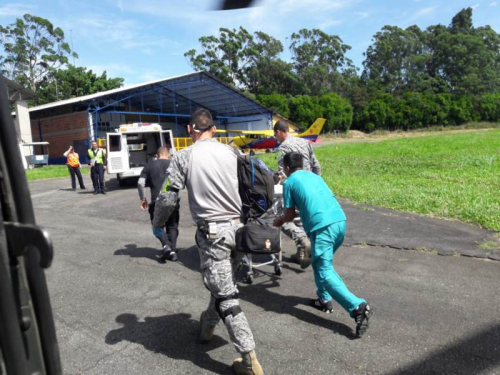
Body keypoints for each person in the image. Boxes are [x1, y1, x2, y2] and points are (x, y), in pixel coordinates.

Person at [153, 109, 263, 374]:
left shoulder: (183, 156)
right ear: (213, 129)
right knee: (223, 284)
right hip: (239, 230)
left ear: (190, 130)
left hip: (213, 235)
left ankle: (250, 360)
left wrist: (157, 224)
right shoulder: (232, 151)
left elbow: (168, 197)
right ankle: (207, 328)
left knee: (226, 295)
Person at [273, 152, 372, 338]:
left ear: (286, 168)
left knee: (325, 271)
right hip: (339, 221)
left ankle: (358, 307)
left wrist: (278, 222)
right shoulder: (314, 176)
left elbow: (288, 215)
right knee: (321, 265)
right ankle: (323, 299)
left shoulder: (289, 182)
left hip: (323, 227)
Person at [273, 120, 321, 266]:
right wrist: (316, 183)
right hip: (311, 187)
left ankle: (302, 241)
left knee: (281, 218)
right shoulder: (304, 142)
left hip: (295, 188)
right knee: (302, 219)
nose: (277, 139)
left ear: (280, 132)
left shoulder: (283, 148)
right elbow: (316, 165)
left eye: (276, 136)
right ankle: (303, 252)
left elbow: (283, 174)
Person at [137, 146, 180, 262]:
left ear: (157, 155)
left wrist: (143, 198)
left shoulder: (149, 165)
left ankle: (166, 246)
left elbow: (140, 183)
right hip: (173, 200)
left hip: (157, 202)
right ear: (168, 155)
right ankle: (172, 251)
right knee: (172, 225)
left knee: (157, 226)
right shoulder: (173, 164)